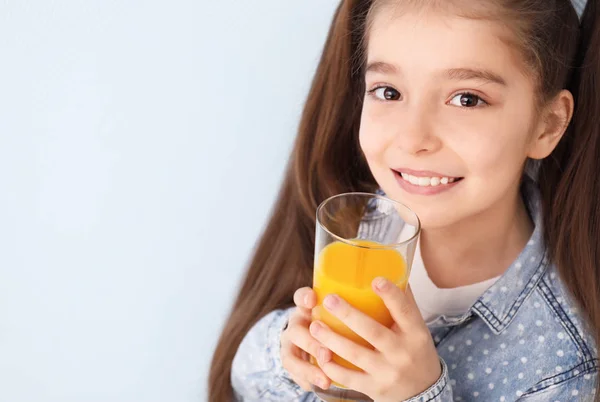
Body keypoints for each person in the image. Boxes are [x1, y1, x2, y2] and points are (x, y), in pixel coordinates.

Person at [209, 0, 600, 400]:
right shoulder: (347, 222)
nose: (413, 139)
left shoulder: (561, 367)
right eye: (389, 91)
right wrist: (288, 350)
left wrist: (418, 395)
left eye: (467, 99)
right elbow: (241, 380)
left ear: (547, 125)